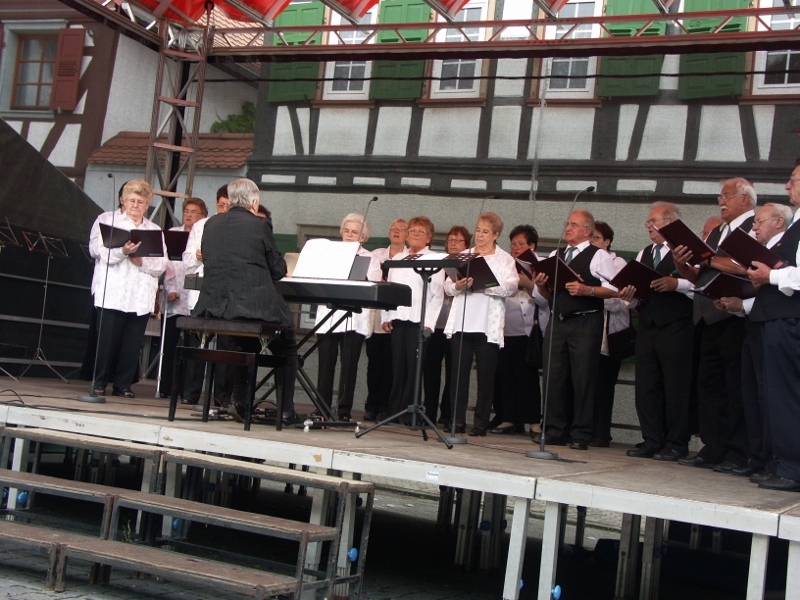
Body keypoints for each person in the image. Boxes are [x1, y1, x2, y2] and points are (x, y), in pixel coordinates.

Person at [192, 178, 302, 426]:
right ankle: (286, 411)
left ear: (230, 200)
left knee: (245, 343)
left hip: (216, 305)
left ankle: (240, 402)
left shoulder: (211, 224)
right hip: (252, 305)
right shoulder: (259, 225)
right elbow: (277, 269)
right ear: (254, 202)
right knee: (287, 346)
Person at [673, 178, 756, 470]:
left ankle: (737, 450)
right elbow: (699, 275)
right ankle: (712, 445)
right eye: (720, 197)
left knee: (735, 386)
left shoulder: (754, 226)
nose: (721, 201)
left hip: (735, 316)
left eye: (727, 196)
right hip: (707, 316)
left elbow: (750, 267)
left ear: (746, 200)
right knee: (709, 386)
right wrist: (683, 263)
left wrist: (712, 261)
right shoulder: (717, 231)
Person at [715, 203, 791, 478]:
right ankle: (759, 459)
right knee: (753, 395)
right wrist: (742, 304)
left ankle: (777, 462)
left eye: (758, 222)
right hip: (757, 324)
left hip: (781, 327)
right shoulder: (768, 254)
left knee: (771, 397)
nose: (754, 227)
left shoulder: (784, 248)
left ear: (779, 222)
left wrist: (767, 278)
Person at [532, 209, 618, 450]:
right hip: (558, 320)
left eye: (574, 224)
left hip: (585, 321)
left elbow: (614, 290)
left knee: (583, 379)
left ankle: (581, 433)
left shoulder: (598, 255)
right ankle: (553, 430)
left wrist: (587, 290)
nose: (567, 228)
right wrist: (541, 285)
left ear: (587, 231)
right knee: (553, 376)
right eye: (567, 224)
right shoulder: (556, 254)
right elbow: (549, 294)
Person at [619, 203, 695, 461]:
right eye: (648, 222)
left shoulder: (688, 249)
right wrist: (629, 296)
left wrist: (677, 284)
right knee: (647, 384)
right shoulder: (645, 253)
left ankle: (676, 442)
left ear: (671, 223)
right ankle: (652, 438)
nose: (648, 226)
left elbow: (702, 284)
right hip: (648, 325)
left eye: (654, 221)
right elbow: (637, 288)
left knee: (675, 385)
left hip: (677, 325)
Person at [88, 179, 168, 398]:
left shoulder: (154, 230)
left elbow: (162, 264)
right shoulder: (107, 220)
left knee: (132, 343)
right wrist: (122, 252)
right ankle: (99, 382)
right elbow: (96, 250)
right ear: (123, 200)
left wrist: (142, 261)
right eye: (132, 200)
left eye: (141, 202)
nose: (136, 205)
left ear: (147, 205)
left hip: (139, 295)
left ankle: (123, 385)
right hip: (112, 292)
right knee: (107, 342)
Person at [747, 166, 800, 491]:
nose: (786, 186)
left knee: (788, 395)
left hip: (791, 319)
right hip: (779, 317)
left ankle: (792, 467)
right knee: (776, 395)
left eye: (793, 181)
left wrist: (772, 276)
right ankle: (781, 461)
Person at [445, 212, 519, 436]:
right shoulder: (464, 255)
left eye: (485, 231)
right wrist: (458, 286)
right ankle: (456, 420)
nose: (480, 235)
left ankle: (480, 422)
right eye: (478, 230)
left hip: (487, 325)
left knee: (486, 377)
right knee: (458, 374)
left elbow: (511, 288)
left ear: (496, 235)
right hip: (462, 322)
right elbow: (447, 287)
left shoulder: (504, 259)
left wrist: (484, 285)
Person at [315, 214, 380, 421]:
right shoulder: (330, 253)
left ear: (363, 237)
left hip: (354, 319)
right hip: (329, 317)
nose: (349, 235)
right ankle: (322, 409)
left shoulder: (371, 258)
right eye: (346, 231)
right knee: (325, 365)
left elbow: (376, 282)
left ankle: (343, 411)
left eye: (354, 232)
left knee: (349, 368)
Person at [381, 217, 444, 423]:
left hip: (420, 321)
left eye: (421, 231)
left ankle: (409, 413)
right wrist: (386, 316)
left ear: (429, 238)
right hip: (399, 320)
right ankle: (394, 411)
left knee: (415, 368)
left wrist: (430, 323)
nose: (416, 234)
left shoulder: (436, 260)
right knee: (398, 367)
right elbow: (389, 291)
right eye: (413, 230)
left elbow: (437, 295)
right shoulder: (398, 259)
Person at [490, 224, 545, 435]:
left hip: (528, 330)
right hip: (505, 328)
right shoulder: (506, 264)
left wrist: (529, 284)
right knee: (506, 376)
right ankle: (509, 418)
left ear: (532, 245)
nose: (516, 247)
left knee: (527, 378)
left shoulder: (541, 265)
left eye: (521, 244)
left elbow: (547, 300)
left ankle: (533, 422)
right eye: (513, 243)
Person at [182, 184, 233, 406]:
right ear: (216, 204)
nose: (223, 209)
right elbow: (186, 259)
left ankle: (221, 398)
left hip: (228, 295)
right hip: (203, 290)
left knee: (225, 345)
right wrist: (198, 255)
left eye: (228, 206)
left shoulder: (237, 227)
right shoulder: (202, 225)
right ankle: (191, 393)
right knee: (196, 343)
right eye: (220, 205)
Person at [158, 198, 207, 401]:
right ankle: (166, 387)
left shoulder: (205, 235)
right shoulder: (174, 235)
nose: (188, 215)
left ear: (203, 215)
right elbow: (167, 264)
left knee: (191, 345)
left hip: (194, 297)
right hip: (174, 295)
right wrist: (168, 288)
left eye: (194, 212)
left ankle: (187, 389)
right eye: (186, 211)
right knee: (169, 344)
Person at [588, 221, 631, 447]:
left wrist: (590, 296)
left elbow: (619, 301)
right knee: (585, 384)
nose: (593, 241)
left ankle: (601, 432)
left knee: (604, 386)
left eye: (597, 238)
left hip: (609, 334)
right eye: (590, 237)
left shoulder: (618, 263)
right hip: (585, 333)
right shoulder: (585, 261)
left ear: (607, 241)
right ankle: (584, 429)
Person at [423, 225, 469, 426]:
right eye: (450, 239)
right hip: (435, 325)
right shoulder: (439, 262)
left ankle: (448, 414)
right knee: (431, 370)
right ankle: (429, 413)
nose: (453, 243)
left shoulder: (469, 264)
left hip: (456, 326)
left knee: (454, 372)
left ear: (466, 245)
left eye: (458, 240)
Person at [364, 219, 407, 421]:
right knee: (374, 362)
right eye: (393, 228)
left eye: (401, 229)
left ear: (407, 234)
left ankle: (386, 405)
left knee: (391, 363)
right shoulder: (376, 254)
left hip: (395, 315)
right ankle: (371, 404)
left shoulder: (408, 257)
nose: (396, 232)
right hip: (375, 314)